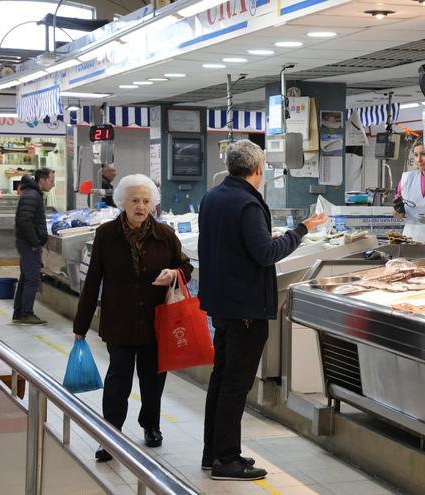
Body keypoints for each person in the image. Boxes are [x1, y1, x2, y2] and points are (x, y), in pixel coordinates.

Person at [198, 140, 325, 481]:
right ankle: (227, 460)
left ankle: (214, 453)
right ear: (256, 169)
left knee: (221, 380)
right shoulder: (247, 204)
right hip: (245, 310)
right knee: (234, 386)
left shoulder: (213, 197)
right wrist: (302, 230)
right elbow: (265, 253)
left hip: (222, 305)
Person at [73, 174, 193, 462]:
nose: (141, 206)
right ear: (122, 202)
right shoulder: (106, 235)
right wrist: (81, 325)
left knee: (153, 380)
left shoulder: (165, 235)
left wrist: (174, 274)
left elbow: (185, 267)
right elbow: (93, 281)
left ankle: (151, 425)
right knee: (118, 381)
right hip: (120, 321)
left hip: (156, 322)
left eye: (146, 201)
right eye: (135, 200)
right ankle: (110, 435)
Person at [13, 168, 55, 324]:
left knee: (25, 277)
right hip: (28, 243)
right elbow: (24, 221)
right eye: (51, 180)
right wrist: (34, 242)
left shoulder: (33, 194)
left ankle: (19, 312)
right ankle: (26, 313)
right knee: (32, 279)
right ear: (42, 180)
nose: (53, 184)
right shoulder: (32, 195)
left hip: (26, 242)